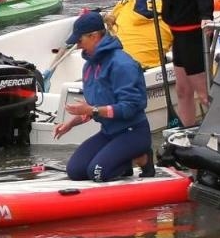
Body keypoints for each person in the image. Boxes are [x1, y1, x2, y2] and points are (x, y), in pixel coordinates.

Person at [54, 10, 152, 182]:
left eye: (79, 40)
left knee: (97, 173)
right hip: (109, 132)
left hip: (133, 132)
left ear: (94, 36)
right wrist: (70, 124)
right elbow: (94, 107)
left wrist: (91, 109)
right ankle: (121, 165)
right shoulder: (89, 67)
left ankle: (142, 157)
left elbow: (129, 108)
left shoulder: (122, 64)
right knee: (75, 171)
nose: (77, 46)